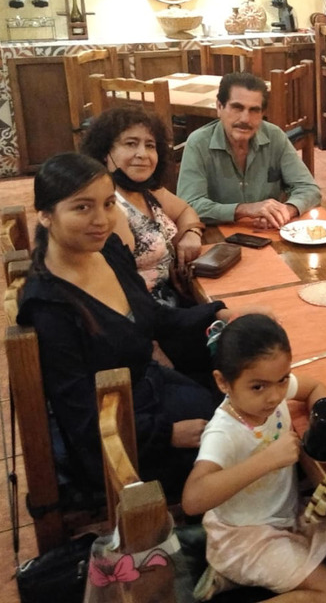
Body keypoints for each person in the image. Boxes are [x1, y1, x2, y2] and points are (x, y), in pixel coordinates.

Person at [16, 153, 235, 494]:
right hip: (120, 444)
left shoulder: (107, 251)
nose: (101, 220)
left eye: (108, 204)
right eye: (82, 207)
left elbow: (153, 317)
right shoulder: (50, 306)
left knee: (248, 398)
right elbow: (82, 419)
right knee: (244, 442)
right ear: (45, 215)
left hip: (150, 391)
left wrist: (218, 314)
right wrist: (168, 434)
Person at [182, 314, 326, 603]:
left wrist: (323, 424)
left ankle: (238, 578)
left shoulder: (272, 389)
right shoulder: (223, 432)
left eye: (282, 380)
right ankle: (237, 569)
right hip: (243, 535)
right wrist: (269, 459)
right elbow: (193, 499)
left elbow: (315, 388)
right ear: (223, 382)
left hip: (284, 516)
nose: (274, 397)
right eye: (258, 387)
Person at [81, 106, 204, 305]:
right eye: (131, 144)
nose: (143, 154)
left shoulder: (146, 190)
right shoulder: (106, 203)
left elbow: (185, 211)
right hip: (147, 312)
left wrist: (191, 233)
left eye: (150, 145)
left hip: (177, 297)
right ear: (105, 152)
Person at [177, 72, 320, 229]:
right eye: (237, 108)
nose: (245, 119)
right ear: (219, 107)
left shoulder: (275, 136)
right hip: (216, 233)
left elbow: (309, 189)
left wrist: (285, 211)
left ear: (262, 113)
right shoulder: (198, 143)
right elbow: (189, 205)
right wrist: (245, 209)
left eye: (254, 110)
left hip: (266, 231)